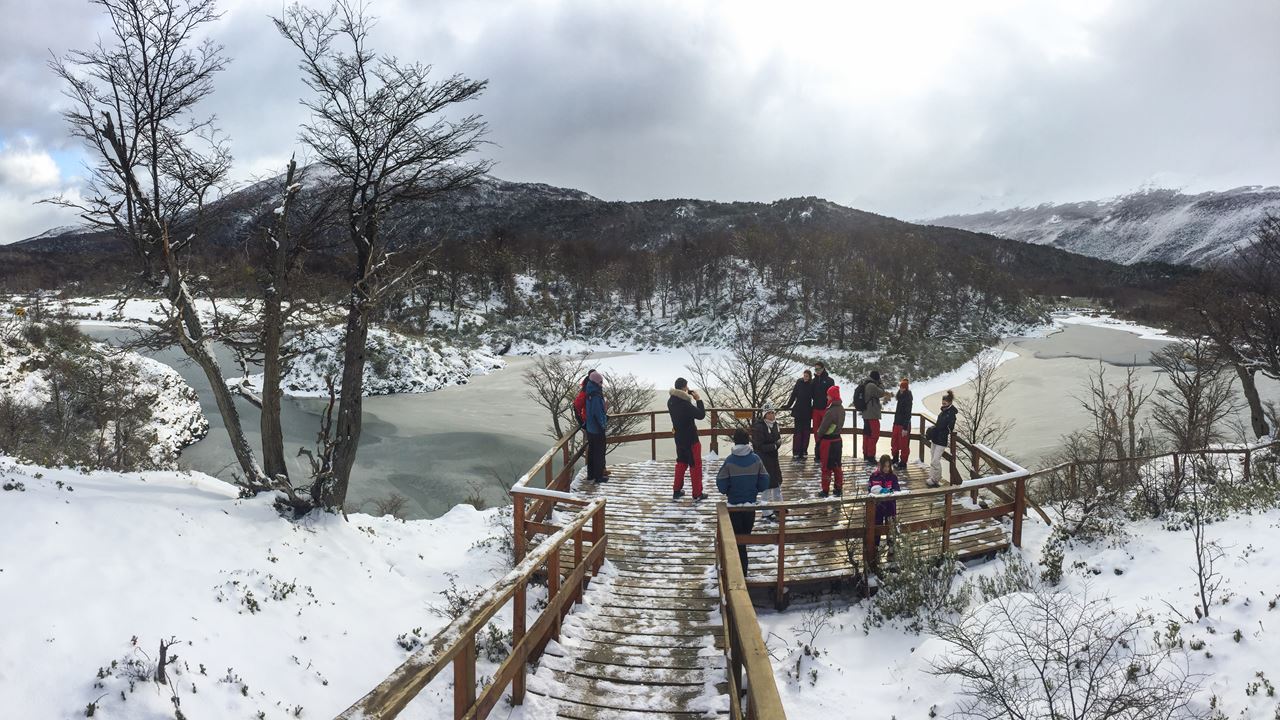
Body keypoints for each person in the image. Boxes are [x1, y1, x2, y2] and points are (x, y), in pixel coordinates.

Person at [716, 427, 770, 572]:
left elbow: (721, 482)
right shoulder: (756, 459)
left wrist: (728, 491)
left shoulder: (730, 460)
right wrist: (755, 489)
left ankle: (738, 572)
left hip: (734, 506)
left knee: (736, 540)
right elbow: (765, 480)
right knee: (744, 539)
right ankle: (742, 571)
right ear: (748, 441)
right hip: (750, 506)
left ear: (735, 441)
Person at [668, 377, 707, 501]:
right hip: (691, 439)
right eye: (687, 387)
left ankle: (676, 490)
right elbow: (701, 415)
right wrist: (698, 399)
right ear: (685, 387)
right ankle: (697, 493)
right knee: (695, 465)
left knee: (681, 463)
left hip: (679, 438)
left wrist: (687, 396)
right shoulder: (685, 403)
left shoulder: (671, 401)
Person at [751, 405, 784, 520]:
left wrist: (777, 444)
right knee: (766, 485)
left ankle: (779, 506)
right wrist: (774, 445)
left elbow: (777, 438)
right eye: (769, 413)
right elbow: (758, 446)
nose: (772, 415)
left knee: (776, 482)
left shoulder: (775, 424)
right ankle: (766, 513)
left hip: (773, 457)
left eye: (773, 412)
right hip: (763, 458)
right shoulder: (759, 427)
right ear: (764, 414)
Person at [815, 385, 845, 497]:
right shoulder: (841, 409)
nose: (827, 397)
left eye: (828, 395)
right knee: (837, 466)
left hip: (828, 443)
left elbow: (823, 428)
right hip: (838, 440)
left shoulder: (831, 411)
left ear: (832, 396)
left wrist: (819, 436)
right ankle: (838, 488)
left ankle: (825, 490)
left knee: (826, 467)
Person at [867, 454, 901, 551]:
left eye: (888, 466)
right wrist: (878, 491)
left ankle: (891, 546)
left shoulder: (893, 477)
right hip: (878, 507)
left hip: (890, 506)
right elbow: (870, 490)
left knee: (890, 526)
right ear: (880, 466)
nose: (886, 469)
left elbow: (897, 490)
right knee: (877, 526)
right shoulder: (874, 476)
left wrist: (890, 491)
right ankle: (875, 546)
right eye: (884, 466)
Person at [926, 390, 958, 488]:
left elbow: (949, 428)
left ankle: (936, 478)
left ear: (949, 403)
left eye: (945, 403)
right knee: (932, 458)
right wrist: (934, 430)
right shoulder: (943, 412)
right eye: (942, 403)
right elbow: (939, 424)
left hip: (942, 441)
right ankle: (932, 477)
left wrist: (940, 429)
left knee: (935, 460)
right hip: (936, 438)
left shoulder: (951, 414)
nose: (943, 404)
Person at [859, 371, 891, 465]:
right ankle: (870, 456)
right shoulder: (872, 386)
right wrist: (881, 383)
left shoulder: (866, 384)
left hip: (866, 414)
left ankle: (866, 454)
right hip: (872, 414)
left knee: (867, 435)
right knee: (874, 435)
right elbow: (881, 393)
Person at [783, 370, 815, 460]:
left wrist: (813, 409)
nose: (805, 377)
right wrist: (788, 405)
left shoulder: (812, 384)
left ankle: (804, 451)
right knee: (797, 432)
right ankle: (796, 452)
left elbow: (815, 398)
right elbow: (793, 395)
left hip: (807, 411)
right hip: (798, 410)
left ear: (810, 377)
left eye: (807, 376)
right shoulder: (799, 382)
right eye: (804, 376)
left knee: (806, 433)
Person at [583, 371, 608, 483]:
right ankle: (598, 476)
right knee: (598, 452)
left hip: (590, 428)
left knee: (592, 452)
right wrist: (603, 425)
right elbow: (598, 413)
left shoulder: (589, 392)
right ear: (596, 382)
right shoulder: (596, 395)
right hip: (597, 429)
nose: (601, 384)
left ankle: (591, 474)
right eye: (600, 381)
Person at [809, 362, 835, 464]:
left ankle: (827, 452)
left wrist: (830, 407)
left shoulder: (829, 380)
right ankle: (818, 453)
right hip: (815, 409)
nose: (817, 371)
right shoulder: (814, 381)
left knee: (826, 430)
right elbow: (809, 395)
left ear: (823, 369)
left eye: (819, 369)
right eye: (815, 369)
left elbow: (832, 395)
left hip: (825, 409)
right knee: (816, 431)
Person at [891, 378, 913, 470]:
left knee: (904, 444)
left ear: (906, 388)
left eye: (903, 387)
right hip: (897, 422)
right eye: (900, 387)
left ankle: (903, 462)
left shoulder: (907, 398)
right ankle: (895, 458)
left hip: (903, 424)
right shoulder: (900, 397)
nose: (901, 389)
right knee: (894, 442)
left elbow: (908, 413)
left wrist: (905, 427)